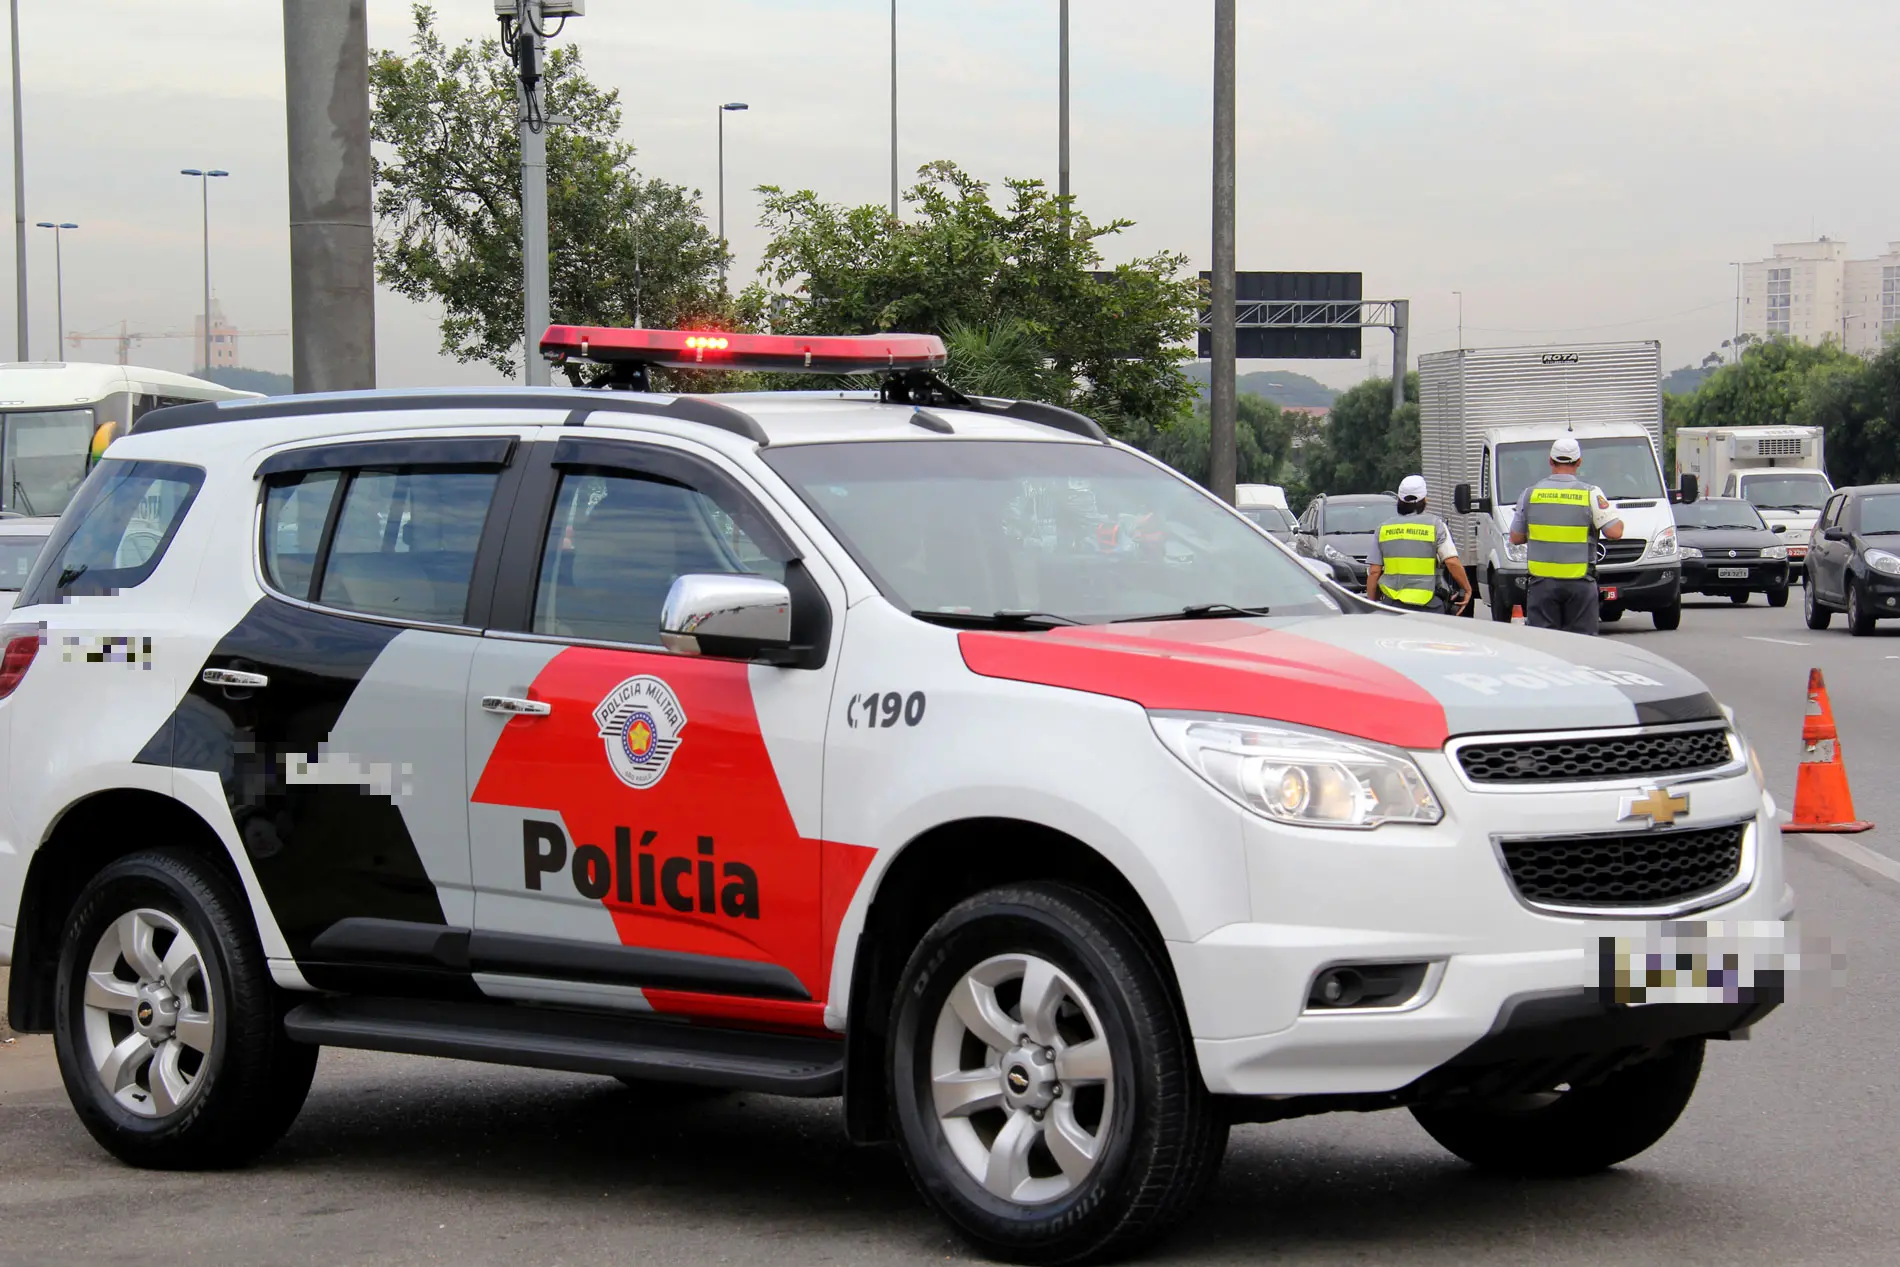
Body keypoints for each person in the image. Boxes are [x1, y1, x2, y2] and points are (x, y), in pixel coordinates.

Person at [1509, 436, 1625, 634]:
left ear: (1550, 461)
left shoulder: (1530, 494)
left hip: (1541, 585)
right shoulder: (1590, 493)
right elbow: (1615, 532)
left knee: (1544, 647)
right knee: (1581, 646)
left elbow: (1516, 538)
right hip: (1579, 583)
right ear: (1579, 462)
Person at [1366, 475, 1472, 614]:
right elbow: (1451, 561)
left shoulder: (1383, 529)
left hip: (1393, 605)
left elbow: (1374, 571)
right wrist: (1467, 589)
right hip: (1429, 604)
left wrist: (1372, 604)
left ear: (1399, 500)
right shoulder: (1436, 525)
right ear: (1424, 500)